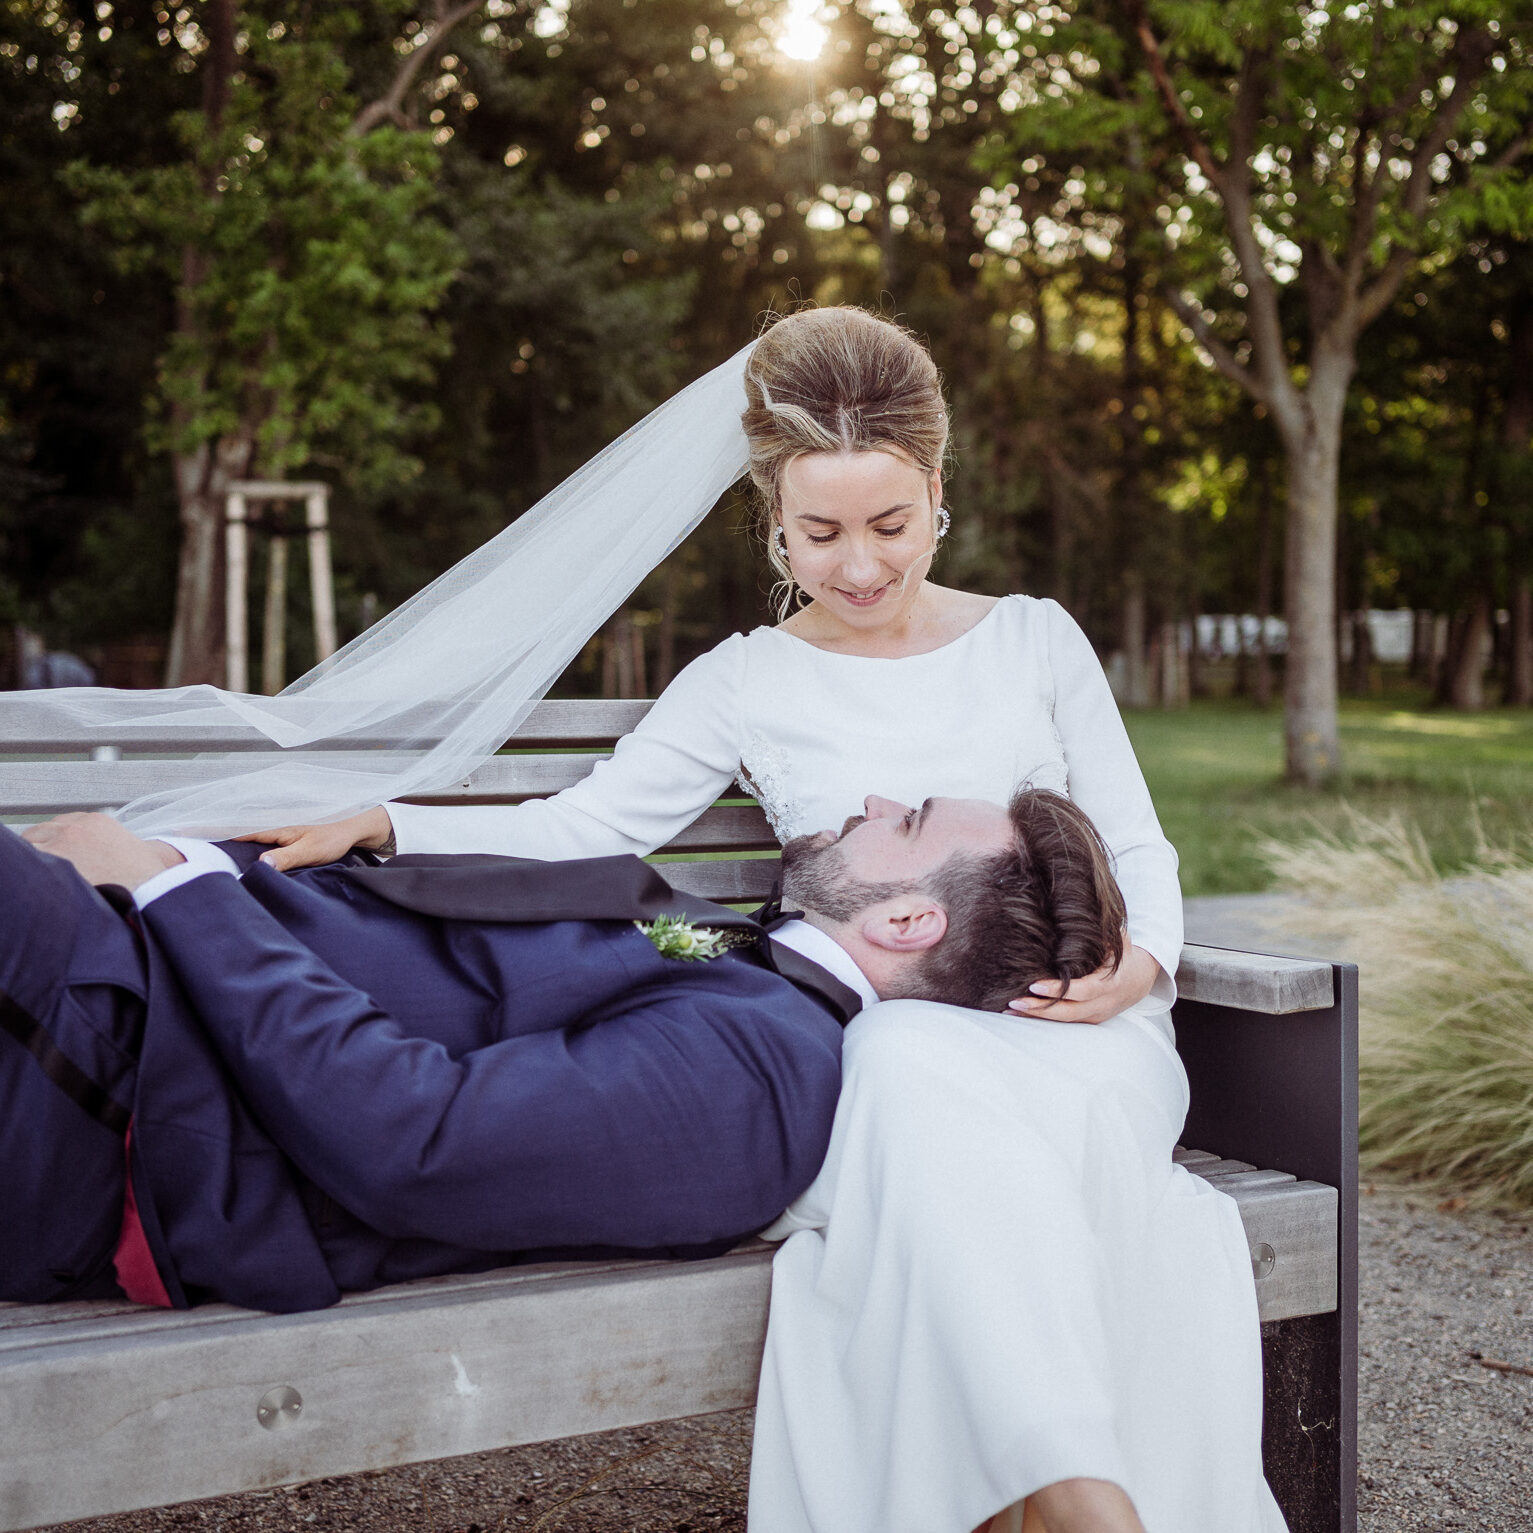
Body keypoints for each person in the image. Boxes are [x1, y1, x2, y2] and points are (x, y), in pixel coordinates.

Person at [236, 308, 1285, 1533]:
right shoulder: (746, 678)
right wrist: (391, 823)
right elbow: (590, 829)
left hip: (1077, 1035)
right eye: (819, 531)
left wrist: (1141, 964)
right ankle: (1064, 1494)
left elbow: (1138, 835)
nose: (857, 567)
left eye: (890, 526)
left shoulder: (1032, 640)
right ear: (771, 516)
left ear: (938, 495)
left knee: (914, 1107)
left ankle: (1043, 1497)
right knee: (897, 1059)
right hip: (893, 1045)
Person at [3, 785, 1116, 1316]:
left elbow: (410, 1138)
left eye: (909, 818)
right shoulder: (750, 974)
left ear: (910, 923)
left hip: (125, 1082)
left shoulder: (766, 1079)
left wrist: (171, 885)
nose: (874, 799)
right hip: (130, 983)